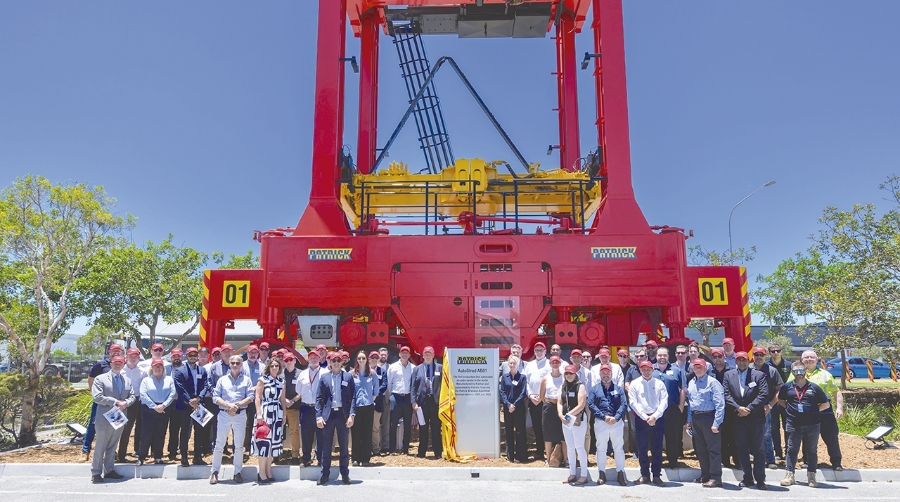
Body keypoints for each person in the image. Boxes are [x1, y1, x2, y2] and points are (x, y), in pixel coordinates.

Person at [778, 361, 830, 488]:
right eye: (796, 371)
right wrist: (791, 411)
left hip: (812, 424)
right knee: (791, 450)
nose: (799, 373)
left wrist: (813, 411)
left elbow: (826, 404)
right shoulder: (787, 387)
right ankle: (789, 475)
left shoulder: (814, 387)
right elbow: (781, 400)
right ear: (792, 372)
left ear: (805, 372)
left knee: (811, 450)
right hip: (793, 423)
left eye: (801, 370)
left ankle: (811, 476)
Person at [790, 350, 843, 471]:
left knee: (831, 436)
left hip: (825, 409)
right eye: (806, 357)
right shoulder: (795, 373)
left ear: (817, 359)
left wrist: (839, 408)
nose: (809, 359)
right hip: (806, 410)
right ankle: (808, 461)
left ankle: (836, 462)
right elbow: (788, 389)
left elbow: (836, 392)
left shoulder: (825, 374)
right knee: (807, 437)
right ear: (802, 360)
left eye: (812, 357)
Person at [723, 351, 769, 489]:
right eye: (739, 360)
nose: (742, 362)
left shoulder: (759, 375)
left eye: (744, 360)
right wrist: (738, 408)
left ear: (749, 361)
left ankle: (760, 479)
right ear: (735, 361)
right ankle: (747, 477)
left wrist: (748, 409)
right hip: (738, 418)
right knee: (741, 449)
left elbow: (763, 394)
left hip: (755, 418)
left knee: (758, 450)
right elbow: (726, 394)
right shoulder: (728, 375)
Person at [210, 355, 255, 485]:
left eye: (237, 363)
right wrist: (228, 405)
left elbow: (251, 396)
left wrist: (237, 405)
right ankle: (214, 472)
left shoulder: (246, 380)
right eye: (233, 363)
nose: (235, 365)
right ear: (229, 364)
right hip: (224, 414)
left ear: (241, 365)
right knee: (219, 444)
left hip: (240, 415)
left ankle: (237, 472)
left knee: (239, 446)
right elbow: (215, 397)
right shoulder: (222, 380)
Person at [90, 355, 135, 483]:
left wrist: (126, 402)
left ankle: (109, 470)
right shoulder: (100, 379)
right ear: (111, 364)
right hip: (105, 417)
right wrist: (116, 402)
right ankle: (96, 472)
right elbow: (97, 397)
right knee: (101, 445)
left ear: (123, 365)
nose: (117, 365)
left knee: (112, 445)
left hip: (119, 416)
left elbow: (132, 395)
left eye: (120, 363)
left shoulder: (126, 380)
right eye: (115, 363)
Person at [316, 352, 356, 485]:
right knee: (326, 447)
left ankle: (345, 475)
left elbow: (353, 398)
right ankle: (324, 475)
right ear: (330, 363)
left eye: (339, 361)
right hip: (328, 415)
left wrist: (351, 415)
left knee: (344, 447)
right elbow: (318, 398)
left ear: (342, 362)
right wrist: (319, 416)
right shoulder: (324, 377)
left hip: (343, 415)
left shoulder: (348, 377)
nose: (336, 363)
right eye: (334, 361)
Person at [685, 357, 726, 488]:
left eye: (700, 366)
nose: (697, 368)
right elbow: (691, 404)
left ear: (706, 368)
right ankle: (705, 475)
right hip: (696, 418)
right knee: (701, 449)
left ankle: (716, 478)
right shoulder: (691, 382)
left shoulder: (713, 383)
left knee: (713, 449)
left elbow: (720, 405)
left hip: (710, 418)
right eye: (695, 366)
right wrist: (689, 420)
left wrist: (716, 423)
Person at [628, 359, 667, 486]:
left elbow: (664, 401)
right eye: (643, 369)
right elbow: (633, 402)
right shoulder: (634, 384)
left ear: (653, 370)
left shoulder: (660, 383)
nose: (646, 371)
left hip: (657, 419)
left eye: (648, 369)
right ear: (640, 370)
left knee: (657, 448)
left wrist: (655, 416)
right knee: (642, 448)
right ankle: (644, 475)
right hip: (641, 419)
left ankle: (656, 475)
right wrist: (645, 417)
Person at [588, 363, 628, 486]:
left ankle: (620, 473)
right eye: (603, 373)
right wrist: (604, 417)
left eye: (608, 373)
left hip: (616, 423)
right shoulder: (594, 389)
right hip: (601, 422)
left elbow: (624, 404)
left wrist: (616, 418)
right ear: (600, 374)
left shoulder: (618, 389)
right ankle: (601, 473)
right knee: (601, 448)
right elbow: (591, 405)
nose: (606, 375)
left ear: (611, 374)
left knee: (618, 449)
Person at [83, 343, 124, 458]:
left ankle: (111, 452)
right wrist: (94, 393)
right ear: (109, 352)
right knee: (93, 425)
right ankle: (85, 450)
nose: (116, 352)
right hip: (101, 403)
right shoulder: (101, 365)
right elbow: (91, 378)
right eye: (113, 350)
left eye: (118, 350)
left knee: (115, 426)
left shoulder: (122, 364)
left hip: (115, 404)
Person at [173, 347, 210, 466]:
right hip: (184, 405)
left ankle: (197, 457)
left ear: (198, 356)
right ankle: (184, 457)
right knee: (185, 431)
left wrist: (198, 398)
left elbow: (206, 385)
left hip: (199, 405)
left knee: (200, 432)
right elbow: (179, 387)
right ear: (186, 356)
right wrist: (189, 400)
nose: (193, 357)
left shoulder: (203, 370)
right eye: (190, 355)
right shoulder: (179, 371)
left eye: (195, 355)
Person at [252, 357, 286, 483]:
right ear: (268, 367)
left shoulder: (281, 381)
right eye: (272, 366)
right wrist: (259, 414)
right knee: (264, 443)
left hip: (277, 413)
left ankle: (268, 471)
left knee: (273, 444)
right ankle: (261, 473)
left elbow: (282, 400)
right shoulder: (263, 379)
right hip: (265, 412)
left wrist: (284, 415)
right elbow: (257, 398)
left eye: (277, 366)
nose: (274, 368)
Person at [137, 359, 176, 466]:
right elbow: (143, 395)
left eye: (160, 366)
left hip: (164, 409)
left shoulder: (169, 379)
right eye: (155, 366)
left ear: (163, 368)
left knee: (160, 433)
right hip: (148, 410)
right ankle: (141, 457)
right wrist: (154, 406)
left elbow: (172, 393)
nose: (157, 368)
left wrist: (163, 405)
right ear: (152, 368)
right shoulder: (146, 380)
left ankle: (158, 457)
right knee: (146, 434)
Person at [653, 347, 685, 468]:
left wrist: (681, 406)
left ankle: (673, 462)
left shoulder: (677, 370)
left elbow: (683, 389)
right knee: (656, 437)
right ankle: (657, 463)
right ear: (656, 356)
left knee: (672, 437)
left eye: (664, 355)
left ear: (668, 356)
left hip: (672, 409)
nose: (662, 357)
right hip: (655, 410)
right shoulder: (650, 370)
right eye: (660, 355)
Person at [752, 346, 784, 469]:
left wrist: (770, 405)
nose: (759, 357)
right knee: (750, 433)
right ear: (753, 356)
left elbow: (779, 390)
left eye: (761, 355)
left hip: (766, 407)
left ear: (765, 356)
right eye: (756, 355)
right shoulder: (748, 369)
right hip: (750, 408)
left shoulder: (772, 371)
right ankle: (754, 457)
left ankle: (770, 459)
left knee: (766, 433)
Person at [351, 350, 384, 466]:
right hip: (356, 407)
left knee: (366, 433)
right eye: (359, 358)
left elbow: (376, 390)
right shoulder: (352, 374)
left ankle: (365, 458)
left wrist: (370, 400)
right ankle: (355, 458)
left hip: (368, 406)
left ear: (367, 360)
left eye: (363, 358)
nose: (361, 360)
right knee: (356, 432)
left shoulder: (372, 373)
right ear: (356, 360)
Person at [558, 364, 589, 485]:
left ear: (575, 374)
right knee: (570, 447)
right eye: (567, 373)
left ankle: (584, 475)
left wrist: (568, 414)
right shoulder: (563, 386)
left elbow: (581, 404)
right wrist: (561, 414)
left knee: (579, 447)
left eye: (571, 373)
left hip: (577, 419)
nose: (569, 375)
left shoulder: (580, 386)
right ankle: (572, 473)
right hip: (566, 419)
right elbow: (559, 402)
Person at [293, 349, 324, 467]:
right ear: (308, 359)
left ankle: (321, 458)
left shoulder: (325, 372)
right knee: (306, 434)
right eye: (311, 357)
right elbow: (298, 390)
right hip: (305, 407)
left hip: (319, 408)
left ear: (320, 359)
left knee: (321, 434)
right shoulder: (302, 374)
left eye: (316, 357)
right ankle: (306, 458)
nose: (313, 359)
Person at [412, 345, 443, 459]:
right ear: (423, 356)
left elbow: (444, 385)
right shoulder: (417, 369)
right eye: (426, 354)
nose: (428, 356)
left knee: (436, 428)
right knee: (423, 427)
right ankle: (421, 452)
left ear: (433, 355)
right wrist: (413, 402)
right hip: (422, 403)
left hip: (435, 402)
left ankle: (438, 453)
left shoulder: (440, 368)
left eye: (430, 354)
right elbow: (413, 387)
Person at [709, 347, 738, 467]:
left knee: (733, 435)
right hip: (715, 409)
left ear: (724, 357)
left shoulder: (732, 371)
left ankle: (737, 461)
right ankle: (724, 460)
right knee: (720, 436)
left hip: (730, 408)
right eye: (714, 357)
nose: (717, 359)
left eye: (719, 356)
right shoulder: (709, 373)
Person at [387, 345, 416, 455]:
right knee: (393, 423)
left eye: (406, 353)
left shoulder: (413, 368)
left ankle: (405, 448)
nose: (404, 354)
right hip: (396, 396)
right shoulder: (393, 367)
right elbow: (389, 383)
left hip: (407, 397)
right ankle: (392, 449)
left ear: (409, 355)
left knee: (407, 424)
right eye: (402, 353)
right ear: (399, 354)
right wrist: (392, 395)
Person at [118, 347, 145, 463]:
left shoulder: (142, 372)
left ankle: (129, 453)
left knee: (133, 428)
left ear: (139, 358)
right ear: (126, 357)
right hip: (121, 401)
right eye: (131, 356)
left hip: (136, 401)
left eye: (135, 357)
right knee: (119, 428)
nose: (133, 358)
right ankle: (116, 453)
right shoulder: (120, 370)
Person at [499, 355, 528, 463]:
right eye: (510, 363)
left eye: (514, 363)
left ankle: (521, 456)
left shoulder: (522, 377)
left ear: (518, 364)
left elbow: (523, 393)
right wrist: (508, 404)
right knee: (509, 432)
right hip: (507, 409)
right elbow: (502, 391)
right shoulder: (505, 377)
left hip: (519, 408)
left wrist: (514, 405)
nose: (512, 365)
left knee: (520, 432)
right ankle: (510, 456)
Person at [524, 342, 550, 461]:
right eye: (537, 350)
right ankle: (539, 451)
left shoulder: (550, 364)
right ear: (534, 352)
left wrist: (541, 396)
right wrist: (530, 395)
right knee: (536, 427)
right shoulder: (529, 365)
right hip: (533, 400)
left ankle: (550, 452)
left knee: (547, 426)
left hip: (545, 400)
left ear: (545, 351)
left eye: (541, 350)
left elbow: (551, 382)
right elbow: (526, 382)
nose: (539, 352)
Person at [539, 355, 565, 466]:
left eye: (557, 362)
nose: (555, 364)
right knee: (548, 435)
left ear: (560, 364)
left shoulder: (564, 377)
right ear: (550, 364)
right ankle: (548, 459)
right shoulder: (545, 379)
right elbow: (541, 396)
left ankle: (566, 459)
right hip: (549, 406)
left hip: (562, 407)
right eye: (553, 362)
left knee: (563, 435)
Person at [767, 344, 790, 459]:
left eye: (778, 351)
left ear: (781, 352)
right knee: (774, 427)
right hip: (772, 401)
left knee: (788, 427)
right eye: (773, 351)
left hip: (787, 401)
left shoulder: (789, 366)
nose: (775, 353)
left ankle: (788, 451)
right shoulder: (766, 366)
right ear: (769, 353)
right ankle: (778, 452)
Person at [242, 345, 264, 452]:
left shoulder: (263, 367)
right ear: (247, 353)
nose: (253, 355)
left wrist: (256, 388)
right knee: (244, 423)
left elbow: (265, 382)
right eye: (251, 353)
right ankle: (244, 445)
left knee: (255, 422)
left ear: (258, 354)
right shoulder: (241, 366)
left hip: (257, 399)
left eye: (255, 353)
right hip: (244, 399)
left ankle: (254, 445)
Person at [282, 353, 302, 465]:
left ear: (294, 360)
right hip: (281, 407)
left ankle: (295, 455)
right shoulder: (280, 373)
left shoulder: (300, 374)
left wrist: (293, 400)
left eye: (291, 359)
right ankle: (277, 453)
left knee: (294, 431)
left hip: (294, 407)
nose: (289, 361)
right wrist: (284, 400)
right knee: (279, 431)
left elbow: (303, 390)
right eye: (286, 360)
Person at [166, 348, 185, 461]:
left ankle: (183, 450)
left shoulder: (185, 368)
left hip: (182, 401)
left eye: (178, 356)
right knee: (172, 428)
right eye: (174, 356)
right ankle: (172, 451)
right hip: (168, 401)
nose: (176, 358)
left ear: (182, 357)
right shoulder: (166, 369)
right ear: (171, 357)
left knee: (184, 427)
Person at [376, 347, 391, 455]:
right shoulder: (372, 367)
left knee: (386, 423)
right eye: (382, 354)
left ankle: (385, 445)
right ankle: (375, 445)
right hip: (374, 399)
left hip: (385, 398)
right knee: (374, 423)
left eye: (385, 355)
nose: (383, 356)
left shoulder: (390, 368)